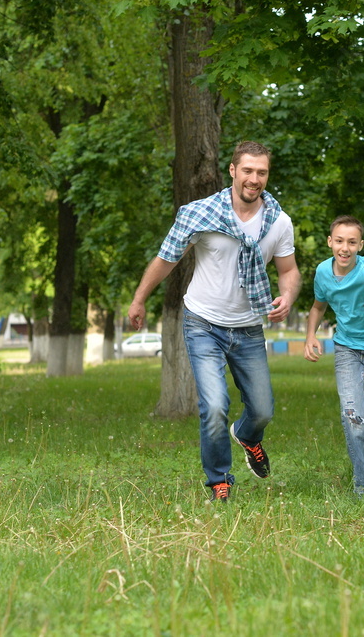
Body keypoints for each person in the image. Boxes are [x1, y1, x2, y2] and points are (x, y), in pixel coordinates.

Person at [127, 141, 301, 503]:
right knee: (215, 405)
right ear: (233, 171)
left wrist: (288, 295)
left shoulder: (279, 221)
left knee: (264, 409)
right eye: (248, 171)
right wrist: (139, 298)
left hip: (249, 326)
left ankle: (248, 435)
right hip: (203, 323)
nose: (254, 179)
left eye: (262, 172)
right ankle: (219, 479)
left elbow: (288, 270)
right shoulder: (200, 213)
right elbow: (166, 259)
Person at [304, 216, 364, 495]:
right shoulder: (322, 272)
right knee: (353, 416)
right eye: (339, 241)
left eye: (352, 242)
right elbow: (318, 307)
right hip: (346, 350)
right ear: (330, 242)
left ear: (360, 245)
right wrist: (310, 336)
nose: (345, 248)